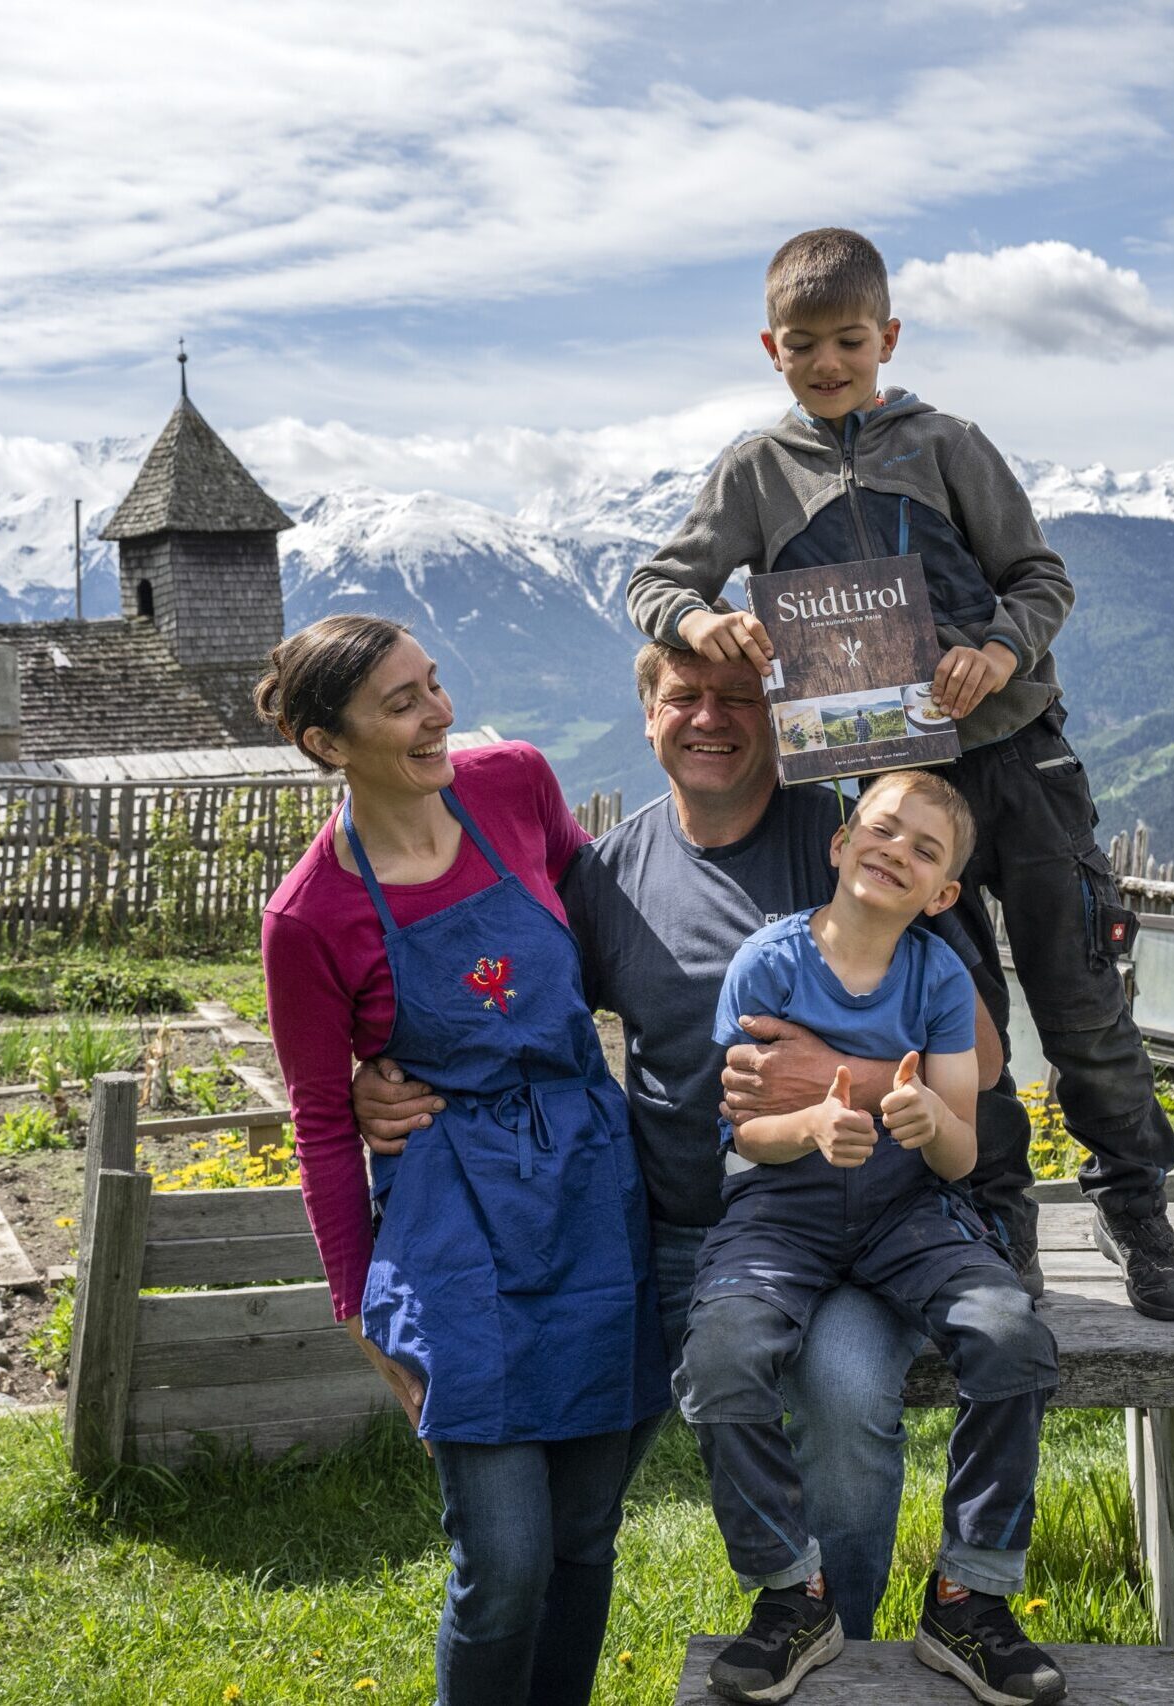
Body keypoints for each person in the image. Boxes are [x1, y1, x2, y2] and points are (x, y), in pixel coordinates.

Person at [355, 633, 1009, 1645]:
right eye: (684, 695)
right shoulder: (608, 877)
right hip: (665, 1228)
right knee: (580, 1496)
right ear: (649, 713)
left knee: (839, 1407)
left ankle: (840, 1649)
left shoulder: (847, 840)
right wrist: (378, 1072)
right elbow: (516, 1019)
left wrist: (850, 1080)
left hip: (852, 1224)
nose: (711, 716)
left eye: (739, 695)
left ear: (775, 714)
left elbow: (990, 1054)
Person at [624, 224, 1174, 1322]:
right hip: (885, 791)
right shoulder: (755, 470)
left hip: (1017, 764)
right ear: (772, 348)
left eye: (850, 339)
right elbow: (659, 579)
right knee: (959, 1023)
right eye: (805, 345)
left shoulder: (948, 443)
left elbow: (1041, 576)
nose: (830, 362)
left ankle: (1141, 1214)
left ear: (887, 336)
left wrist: (1002, 647)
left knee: (1081, 1003)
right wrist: (706, 616)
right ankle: (1000, 1223)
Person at [257, 614, 667, 1706]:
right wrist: (360, 1312)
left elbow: (611, 942)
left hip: (589, 1189)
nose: (438, 711)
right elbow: (318, 1119)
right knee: (505, 1556)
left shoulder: (516, 784)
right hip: (453, 1220)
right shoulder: (310, 915)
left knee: (584, 1531)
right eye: (401, 701)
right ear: (326, 742)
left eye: (433, 684)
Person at [680, 769, 1062, 1706]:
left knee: (1011, 1335)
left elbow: (961, 1156)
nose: (897, 849)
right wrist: (808, 1125)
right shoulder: (768, 963)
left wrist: (930, 1120)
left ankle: (970, 1595)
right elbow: (741, 1133)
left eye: (925, 850)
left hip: (908, 1215)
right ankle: (789, 1593)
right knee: (721, 1358)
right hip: (779, 1212)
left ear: (942, 895)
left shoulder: (939, 976)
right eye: (882, 830)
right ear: (840, 844)